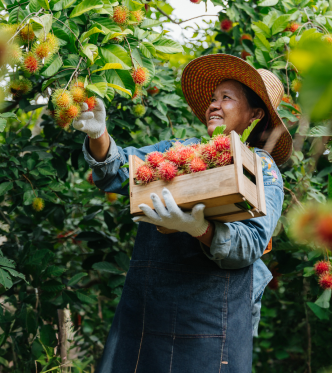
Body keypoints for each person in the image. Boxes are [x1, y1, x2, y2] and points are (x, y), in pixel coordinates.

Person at [75, 54, 292, 373]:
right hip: (144, 322)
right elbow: (119, 170)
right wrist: (99, 135)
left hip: (208, 334)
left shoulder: (261, 169)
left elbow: (250, 244)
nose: (214, 105)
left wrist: (199, 228)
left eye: (226, 98)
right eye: (213, 98)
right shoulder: (179, 150)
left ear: (254, 114)